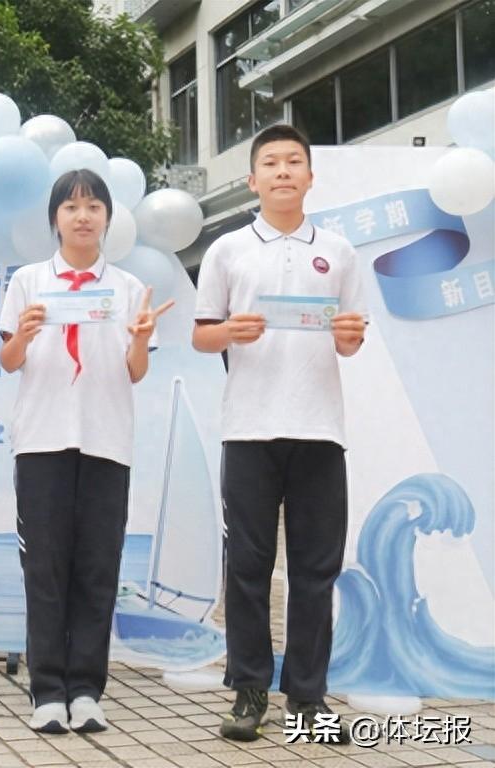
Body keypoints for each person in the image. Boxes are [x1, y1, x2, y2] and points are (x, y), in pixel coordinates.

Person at [192, 124, 367, 743]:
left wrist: (350, 337)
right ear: (252, 180)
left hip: (319, 430)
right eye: (271, 163)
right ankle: (248, 690)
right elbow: (202, 334)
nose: (284, 171)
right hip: (249, 429)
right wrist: (229, 332)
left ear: (311, 177)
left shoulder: (338, 252)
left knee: (315, 570)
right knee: (248, 566)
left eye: (295, 161)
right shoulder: (228, 250)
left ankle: (308, 699)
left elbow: (350, 340)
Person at [0, 168, 172, 734]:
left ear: (107, 218)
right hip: (42, 439)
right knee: (44, 568)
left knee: (98, 569)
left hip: (106, 441)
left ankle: (86, 690)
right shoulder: (28, 281)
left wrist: (140, 339)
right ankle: (47, 689)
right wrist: (24, 335)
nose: (82, 216)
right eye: (71, 206)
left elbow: (135, 371)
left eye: (93, 206)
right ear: (54, 218)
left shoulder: (126, 288)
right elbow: (9, 360)